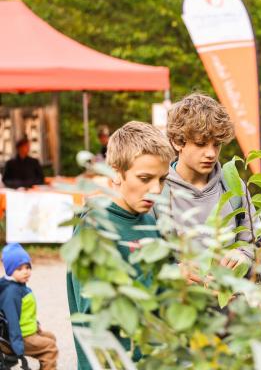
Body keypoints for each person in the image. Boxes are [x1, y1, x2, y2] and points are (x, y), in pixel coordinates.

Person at [66, 121, 173, 370]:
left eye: (162, 179)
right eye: (145, 178)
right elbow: (97, 310)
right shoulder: (94, 227)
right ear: (116, 172)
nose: (156, 189)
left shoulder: (149, 219)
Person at [163, 93, 255, 270]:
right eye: (201, 144)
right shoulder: (157, 191)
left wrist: (245, 259)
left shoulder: (234, 188)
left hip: (230, 297)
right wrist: (176, 274)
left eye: (217, 144)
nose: (211, 153)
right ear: (177, 142)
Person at [0, 243, 58, 369]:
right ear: (10, 270)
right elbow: (12, 321)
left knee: (51, 338)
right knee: (50, 348)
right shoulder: (12, 293)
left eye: (27, 267)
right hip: (20, 336)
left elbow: (26, 312)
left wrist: (36, 325)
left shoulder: (20, 286)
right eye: (19, 269)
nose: (25, 272)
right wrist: (18, 348)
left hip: (27, 330)